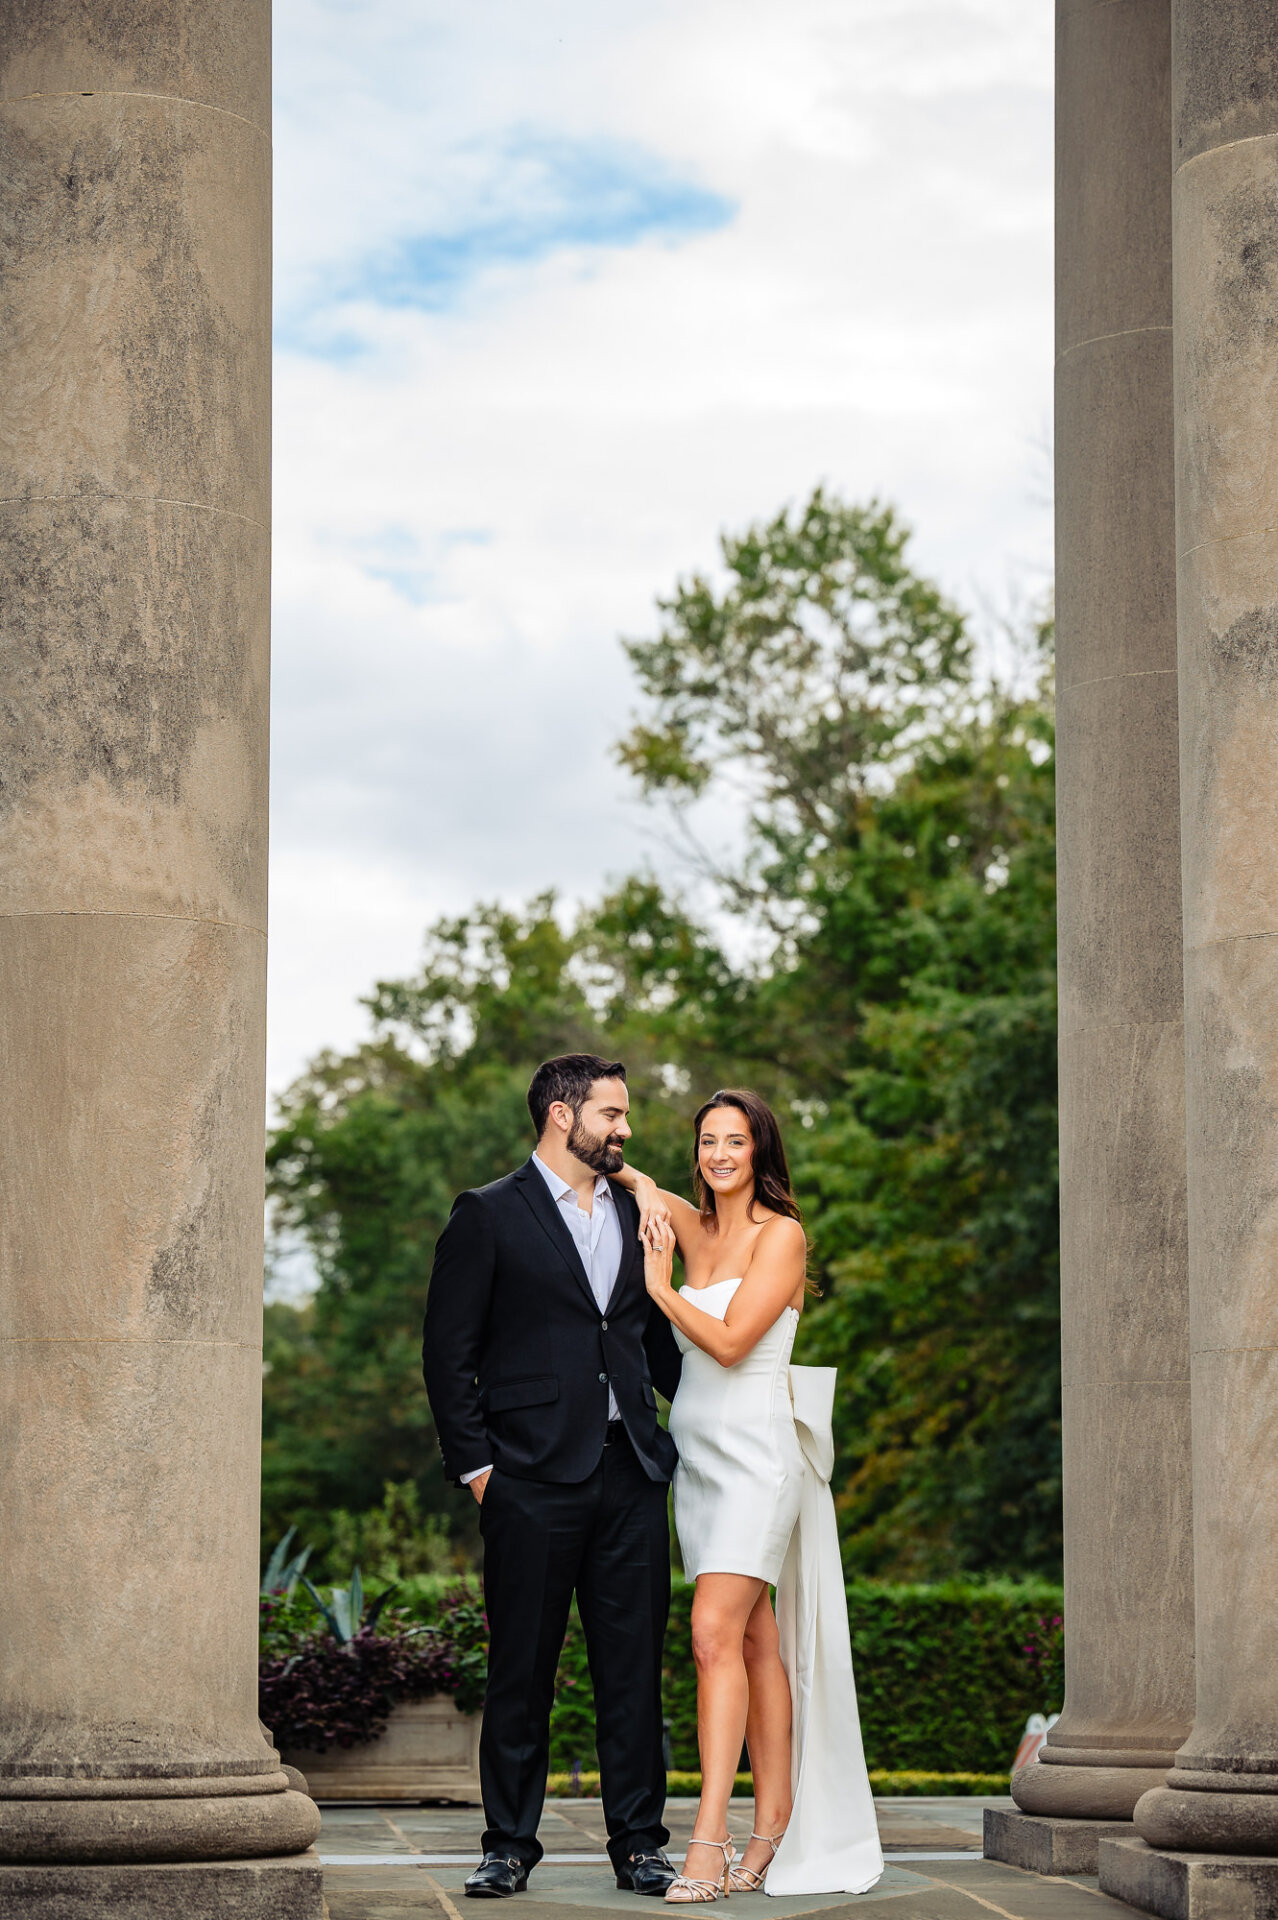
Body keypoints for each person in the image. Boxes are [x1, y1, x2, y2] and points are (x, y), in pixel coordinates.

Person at [422, 1054, 683, 1899]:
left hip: (631, 1474)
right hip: (527, 1480)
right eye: (614, 1113)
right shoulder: (488, 1215)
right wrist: (479, 1471)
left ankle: (640, 1843)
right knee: (522, 1673)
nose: (626, 1129)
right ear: (562, 1115)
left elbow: (653, 1343)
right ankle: (507, 1844)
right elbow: (446, 1355)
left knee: (633, 1672)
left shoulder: (640, 1210)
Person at [615, 1090, 883, 1901]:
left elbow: (730, 1346)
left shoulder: (783, 1237)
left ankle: (709, 1840)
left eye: (736, 1141)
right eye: (708, 1141)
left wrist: (661, 1290)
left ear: (761, 1152)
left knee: (709, 1635)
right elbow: (626, 1177)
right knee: (755, 1644)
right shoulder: (695, 1227)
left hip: (761, 1460)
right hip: (698, 1464)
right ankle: (773, 1830)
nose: (720, 1154)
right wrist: (590, 1130)